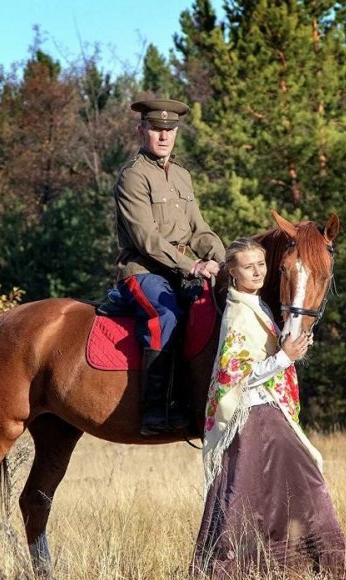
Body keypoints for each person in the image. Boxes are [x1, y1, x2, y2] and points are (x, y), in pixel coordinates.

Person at [191, 238, 346, 580]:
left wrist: (289, 347)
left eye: (261, 265)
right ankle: (329, 567)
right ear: (232, 273)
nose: (256, 271)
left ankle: (286, 570)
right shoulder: (238, 313)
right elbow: (236, 376)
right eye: (247, 266)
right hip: (255, 414)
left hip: (269, 410)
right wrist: (285, 357)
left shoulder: (257, 306)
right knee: (298, 487)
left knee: (259, 495)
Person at [107, 98, 226, 435]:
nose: (163, 136)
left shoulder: (182, 176)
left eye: (170, 130)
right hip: (143, 272)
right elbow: (146, 239)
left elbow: (199, 229)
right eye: (156, 129)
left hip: (181, 270)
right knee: (166, 316)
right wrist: (194, 267)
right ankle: (155, 412)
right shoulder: (133, 176)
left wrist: (221, 260)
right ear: (141, 129)